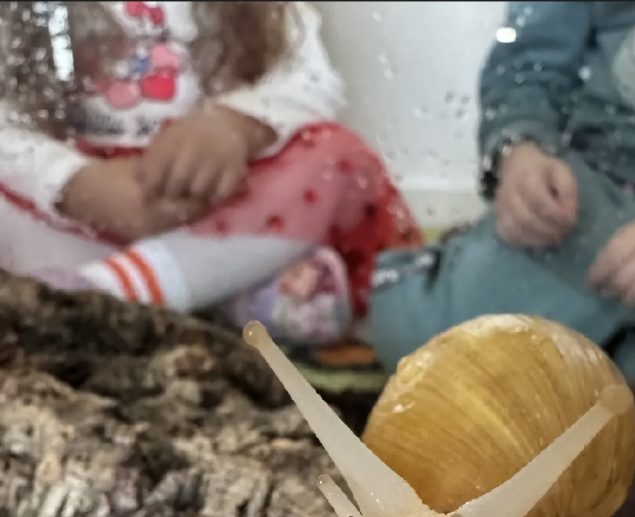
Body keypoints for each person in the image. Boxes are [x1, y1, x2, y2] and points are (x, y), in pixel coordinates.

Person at [369, 1, 635, 381]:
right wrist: (521, 152)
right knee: (422, 335)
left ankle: (609, 367)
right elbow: (526, 62)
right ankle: (631, 366)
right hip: (587, 206)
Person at [0, 1, 421, 343]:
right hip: (68, 220)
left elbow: (309, 80)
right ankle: (224, 294)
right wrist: (77, 185)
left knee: (337, 157)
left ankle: (105, 295)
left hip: (215, 205)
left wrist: (236, 125)